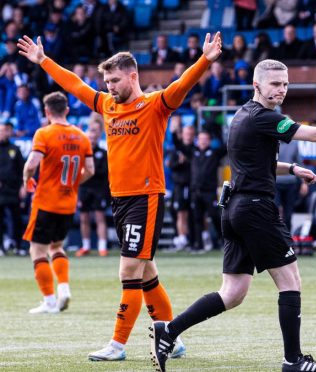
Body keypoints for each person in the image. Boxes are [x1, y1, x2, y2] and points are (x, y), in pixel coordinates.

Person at [149, 58, 316, 372]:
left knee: (233, 292)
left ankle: (169, 330)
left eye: (285, 84)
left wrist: (292, 168)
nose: (281, 90)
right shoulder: (266, 117)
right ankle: (293, 361)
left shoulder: (242, 115)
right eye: (275, 84)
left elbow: (253, 162)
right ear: (257, 85)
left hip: (234, 209)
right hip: (256, 209)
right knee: (290, 281)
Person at [17, 31, 223, 361]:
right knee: (147, 273)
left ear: (133, 76)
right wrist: (43, 61)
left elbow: (181, 86)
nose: (110, 87)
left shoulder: (155, 105)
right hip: (121, 200)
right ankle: (172, 337)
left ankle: (117, 345)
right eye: (107, 81)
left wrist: (205, 60)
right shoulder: (107, 105)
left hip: (146, 197)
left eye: (115, 80)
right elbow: (74, 85)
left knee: (128, 272)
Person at [22, 91, 95, 313]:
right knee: (57, 246)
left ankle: (50, 300)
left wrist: (27, 179)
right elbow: (90, 170)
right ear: (67, 110)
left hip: (45, 201)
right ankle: (63, 288)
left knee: (37, 250)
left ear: (46, 112)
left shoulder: (44, 134)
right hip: (68, 202)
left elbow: (32, 162)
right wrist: (73, 183)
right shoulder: (82, 136)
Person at [76, 118, 110, 257]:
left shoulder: (102, 153)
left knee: (99, 217)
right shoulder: (80, 153)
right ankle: (86, 246)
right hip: (84, 188)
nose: (92, 140)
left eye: (94, 137)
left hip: (99, 189)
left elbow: (102, 171)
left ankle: (102, 246)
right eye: (89, 137)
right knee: (84, 217)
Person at [167, 118, 194, 251]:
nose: (188, 136)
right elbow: (171, 165)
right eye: (186, 133)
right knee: (178, 212)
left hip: (189, 186)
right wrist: (180, 163)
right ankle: (181, 238)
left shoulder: (193, 149)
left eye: (190, 134)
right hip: (178, 186)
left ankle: (186, 238)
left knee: (186, 213)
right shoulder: (176, 150)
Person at [0, 122, 25, 255]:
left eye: (5, 131)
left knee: (17, 219)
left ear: (9, 132)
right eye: (1, 131)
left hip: (14, 190)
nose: (2, 133)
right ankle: (1, 248)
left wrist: (23, 186)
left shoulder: (15, 149)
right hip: (0, 191)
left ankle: (18, 246)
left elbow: (23, 170)